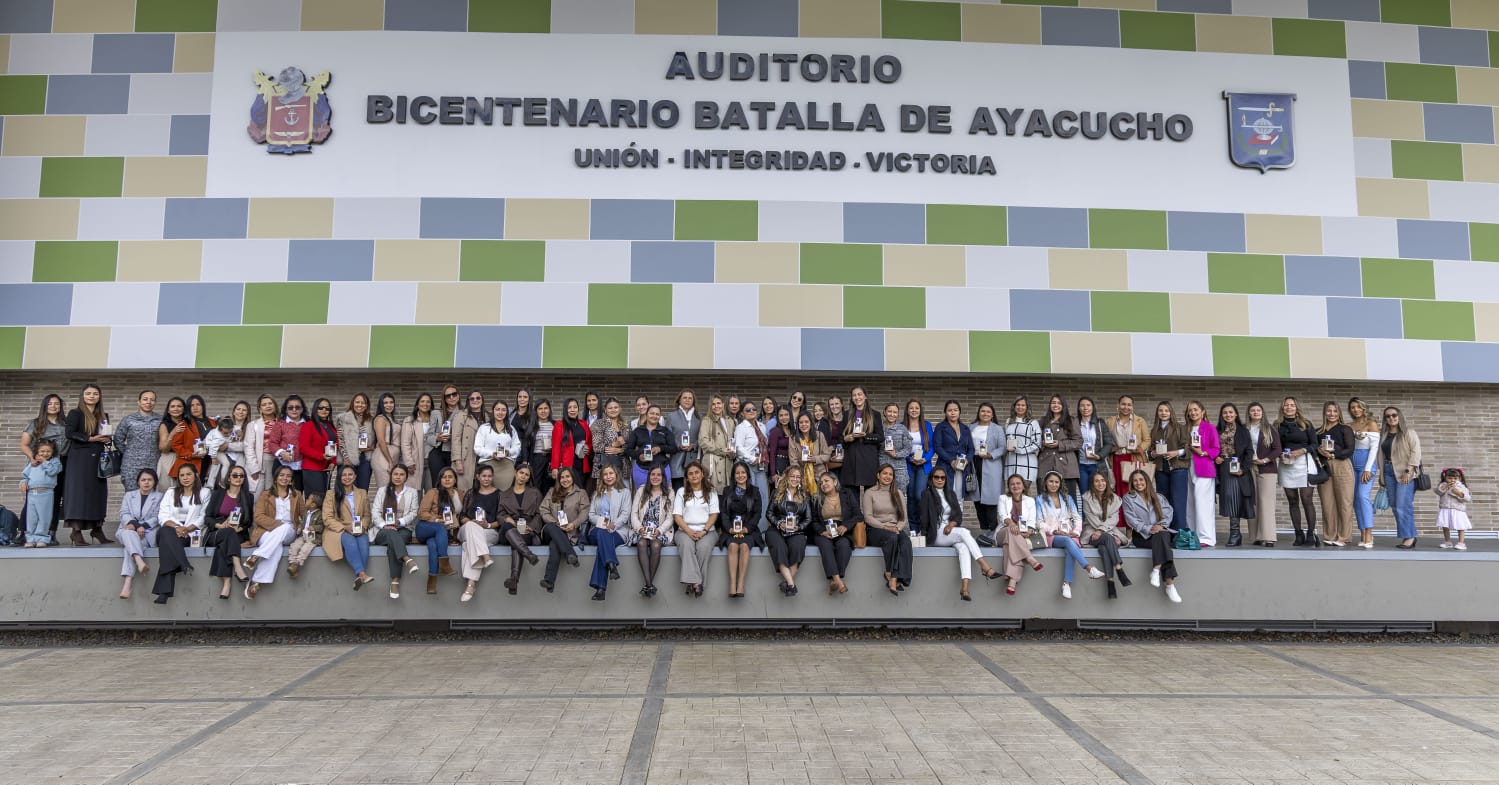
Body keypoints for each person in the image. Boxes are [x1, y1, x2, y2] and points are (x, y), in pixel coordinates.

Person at [920, 467, 998, 602]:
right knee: (964, 532)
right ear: (931, 479)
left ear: (946, 479)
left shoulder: (951, 493)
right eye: (936, 477)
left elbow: (958, 515)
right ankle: (984, 566)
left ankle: (965, 587)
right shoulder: (926, 494)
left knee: (963, 547)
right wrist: (923, 537)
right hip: (936, 533)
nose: (939, 480)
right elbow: (923, 517)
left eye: (942, 477)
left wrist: (951, 525)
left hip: (950, 531)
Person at [243, 465, 310, 599]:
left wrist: (302, 528)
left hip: (289, 532)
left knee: (285, 527)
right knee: (277, 547)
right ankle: (256, 582)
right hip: (266, 532)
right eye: (282, 475)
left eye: (288, 476)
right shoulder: (265, 494)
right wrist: (278, 524)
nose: (285, 478)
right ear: (276, 477)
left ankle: (256, 556)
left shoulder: (297, 495)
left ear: (291, 480)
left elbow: (305, 515)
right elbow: (258, 517)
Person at [1036, 471, 1105, 599]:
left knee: (1070, 545)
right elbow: (1039, 522)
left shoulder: (1067, 498)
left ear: (1060, 484)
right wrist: (1054, 531)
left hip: (1070, 535)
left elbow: (1077, 518)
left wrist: (1076, 532)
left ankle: (1066, 584)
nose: (1054, 484)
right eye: (1051, 481)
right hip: (1051, 536)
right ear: (1045, 482)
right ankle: (1089, 568)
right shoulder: (1039, 499)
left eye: (1057, 482)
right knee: (1068, 542)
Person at [1122, 470, 1182, 603]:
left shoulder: (1158, 496)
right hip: (1141, 536)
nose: (1139, 483)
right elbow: (1131, 520)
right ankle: (1170, 585)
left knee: (1162, 536)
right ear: (1132, 483)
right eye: (1135, 480)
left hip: (1160, 532)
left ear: (1147, 481)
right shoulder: (1127, 498)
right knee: (1164, 543)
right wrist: (1149, 529)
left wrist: (1160, 526)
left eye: (1141, 479)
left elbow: (1168, 512)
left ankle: (1156, 569)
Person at [63, 384, 112, 546]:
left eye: (95, 393)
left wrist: (107, 439)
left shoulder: (103, 415)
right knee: (79, 494)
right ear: (83, 396)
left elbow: (106, 435)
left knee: (97, 493)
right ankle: (75, 532)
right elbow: (69, 433)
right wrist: (90, 438)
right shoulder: (75, 413)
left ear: (99, 396)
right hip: (80, 459)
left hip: (97, 458)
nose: (92, 396)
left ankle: (97, 528)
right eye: (88, 393)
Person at [153, 464, 206, 604]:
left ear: (196, 475)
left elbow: (203, 517)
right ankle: (184, 563)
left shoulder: (204, 492)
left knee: (167, 547)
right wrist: (177, 527)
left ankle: (164, 593)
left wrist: (187, 529)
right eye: (182, 475)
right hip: (171, 529)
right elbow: (162, 516)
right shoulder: (171, 492)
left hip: (190, 533)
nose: (185, 478)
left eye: (189, 474)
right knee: (165, 531)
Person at [20, 393, 68, 545]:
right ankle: (24, 533)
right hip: (38, 468)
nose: (53, 406)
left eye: (57, 403)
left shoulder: (66, 424)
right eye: (50, 403)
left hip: (57, 466)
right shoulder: (36, 423)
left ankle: (51, 533)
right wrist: (33, 458)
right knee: (31, 501)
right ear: (45, 406)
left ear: (60, 406)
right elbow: (24, 444)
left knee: (55, 501)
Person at [370, 464, 421, 599]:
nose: (398, 477)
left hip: (403, 528)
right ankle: (407, 559)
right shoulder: (382, 491)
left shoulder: (412, 492)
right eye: (395, 474)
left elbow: (413, 512)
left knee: (394, 543)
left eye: (401, 474)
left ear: (406, 477)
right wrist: (383, 525)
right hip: (383, 530)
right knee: (392, 534)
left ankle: (395, 581)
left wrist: (399, 522)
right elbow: (375, 512)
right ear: (391, 476)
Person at [203, 465, 253, 599]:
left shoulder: (248, 497)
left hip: (236, 534)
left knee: (226, 541)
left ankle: (227, 581)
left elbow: (249, 522)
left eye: (241, 476)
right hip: (216, 532)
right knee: (228, 534)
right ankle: (237, 567)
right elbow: (207, 518)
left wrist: (240, 528)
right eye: (235, 475)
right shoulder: (218, 494)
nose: (238, 478)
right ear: (229, 478)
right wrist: (220, 525)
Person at [862, 464, 911, 596]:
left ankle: (896, 578)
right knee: (891, 538)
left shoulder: (898, 493)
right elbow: (868, 517)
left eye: (890, 474)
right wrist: (885, 527)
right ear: (878, 475)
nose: (887, 476)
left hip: (895, 529)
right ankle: (889, 573)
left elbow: (903, 517)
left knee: (906, 543)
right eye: (884, 473)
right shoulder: (870, 493)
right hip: (876, 529)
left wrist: (897, 528)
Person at [1080, 470, 1131, 599]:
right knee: (1109, 539)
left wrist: (1102, 531)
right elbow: (1092, 519)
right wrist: (1102, 531)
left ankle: (1110, 583)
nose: (1100, 483)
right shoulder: (1086, 498)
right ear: (1092, 483)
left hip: (1107, 532)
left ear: (1107, 482)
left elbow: (1114, 519)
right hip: (1091, 532)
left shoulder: (1114, 498)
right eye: (1097, 481)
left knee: (1104, 549)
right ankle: (1119, 569)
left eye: (1103, 480)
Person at [323, 464, 374, 591]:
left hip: (358, 529)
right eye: (344, 475)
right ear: (339, 477)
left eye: (350, 474)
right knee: (350, 541)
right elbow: (327, 517)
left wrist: (363, 527)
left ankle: (359, 576)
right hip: (338, 529)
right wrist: (345, 528)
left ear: (355, 476)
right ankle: (362, 574)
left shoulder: (362, 493)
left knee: (363, 543)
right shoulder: (331, 494)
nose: (347, 477)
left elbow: (367, 515)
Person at [586, 464, 634, 600]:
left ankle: (601, 589)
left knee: (603, 544)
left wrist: (613, 525)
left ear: (616, 475)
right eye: (605, 474)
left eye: (611, 473)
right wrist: (603, 523)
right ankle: (611, 564)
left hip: (619, 530)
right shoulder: (597, 494)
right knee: (602, 533)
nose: (608, 476)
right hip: (598, 529)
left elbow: (625, 514)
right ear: (602, 477)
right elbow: (591, 514)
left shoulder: (624, 492)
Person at [456, 464, 503, 602]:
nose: (487, 479)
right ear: (478, 477)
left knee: (467, 546)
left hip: (489, 531)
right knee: (471, 526)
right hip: (466, 529)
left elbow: (501, 519)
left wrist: (487, 524)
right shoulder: (471, 493)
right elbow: (462, 516)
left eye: (489, 476)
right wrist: (473, 523)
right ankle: (485, 556)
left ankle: (471, 585)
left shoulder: (499, 494)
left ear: (493, 477)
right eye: (484, 476)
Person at [537, 465, 587, 593]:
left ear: (573, 478)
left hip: (569, 533)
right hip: (551, 529)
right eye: (562, 477)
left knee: (555, 545)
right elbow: (543, 510)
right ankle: (571, 554)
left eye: (567, 476)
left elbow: (584, 513)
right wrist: (555, 522)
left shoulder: (581, 493)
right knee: (553, 529)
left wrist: (574, 524)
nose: (565, 479)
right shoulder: (552, 491)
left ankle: (549, 581)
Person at [672, 461, 719, 597]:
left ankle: (691, 583)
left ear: (702, 474)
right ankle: (698, 584)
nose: (694, 476)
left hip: (708, 531)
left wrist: (704, 531)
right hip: (684, 530)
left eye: (697, 472)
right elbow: (677, 515)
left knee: (703, 548)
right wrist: (688, 531)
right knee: (686, 546)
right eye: (690, 474)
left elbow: (714, 514)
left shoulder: (711, 491)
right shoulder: (681, 491)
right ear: (686, 477)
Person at [415, 466, 463, 595]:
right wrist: (437, 519)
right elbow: (422, 513)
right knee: (440, 528)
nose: (447, 479)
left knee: (432, 545)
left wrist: (455, 537)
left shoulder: (461, 493)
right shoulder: (433, 492)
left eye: (450, 477)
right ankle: (444, 562)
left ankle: (432, 579)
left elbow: (461, 517)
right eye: (444, 477)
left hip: (443, 533)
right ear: (440, 479)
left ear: (455, 479)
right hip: (425, 527)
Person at [494, 463, 541, 596]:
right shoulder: (504, 494)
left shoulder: (535, 492)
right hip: (507, 530)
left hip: (526, 531)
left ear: (529, 478)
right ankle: (529, 555)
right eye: (521, 473)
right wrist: (506, 519)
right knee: (510, 529)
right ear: (515, 473)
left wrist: (530, 527)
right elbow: (499, 514)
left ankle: (514, 579)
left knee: (517, 542)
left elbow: (539, 514)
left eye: (527, 475)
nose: (523, 476)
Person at [1278, 397, 1319, 547]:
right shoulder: (1278, 425)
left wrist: (1302, 450)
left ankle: (1311, 534)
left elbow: (1315, 444)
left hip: (1304, 462)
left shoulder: (1305, 424)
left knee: (1307, 499)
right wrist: (1280, 454)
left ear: (1296, 407)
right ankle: (1298, 534)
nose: (1289, 407)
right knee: (1292, 500)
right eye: (1286, 405)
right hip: (1287, 464)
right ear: (1282, 408)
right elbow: (1276, 446)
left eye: (1292, 405)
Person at [1379, 406, 1422, 549]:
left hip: (1405, 472)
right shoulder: (1383, 435)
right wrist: (1381, 475)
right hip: (1388, 471)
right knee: (1396, 506)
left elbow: (1416, 452)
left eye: (1394, 415)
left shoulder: (1408, 433)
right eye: (1388, 416)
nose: (1391, 418)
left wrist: (1409, 470)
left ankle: (1409, 537)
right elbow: (1382, 455)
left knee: (1403, 505)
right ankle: (1408, 534)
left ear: (1399, 416)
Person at [116, 468, 162, 600]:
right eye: (143, 480)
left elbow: (157, 516)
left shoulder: (159, 497)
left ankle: (128, 582)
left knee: (129, 544)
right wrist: (136, 526)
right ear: (138, 482)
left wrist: (142, 526)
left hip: (147, 531)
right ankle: (138, 560)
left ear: (155, 482)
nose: (146, 483)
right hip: (129, 528)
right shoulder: (129, 496)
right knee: (128, 533)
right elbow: (124, 513)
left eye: (150, 480)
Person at [809, 470, 857, 596]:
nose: (823, 484)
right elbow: (813, 521)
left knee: (844, 546)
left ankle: (834, 580)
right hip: (824, 530)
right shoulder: (816, 498)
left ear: (835, 482)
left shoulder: (847, 494)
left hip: (842, 530)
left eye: (826, 481)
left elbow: (858, 515)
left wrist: (846, 526)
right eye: (821, 483)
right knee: (825, 546)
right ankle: (839, 581)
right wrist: (822, 531)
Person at [765, 466, 810, 597]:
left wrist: (799, 527)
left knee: (798, 546)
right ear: (787, 477)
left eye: (798, 477)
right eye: (792, 476)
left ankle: (787, 583)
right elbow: (769, 513)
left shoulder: (804, 496)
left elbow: (808, 518)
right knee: (778, 546)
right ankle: (791, 584)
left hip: (796, 531)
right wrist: (779, 523)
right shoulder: (777, 492)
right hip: (777, 529)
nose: (795, 479)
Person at [1215, 403, 1255, 548]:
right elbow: (1213, 448)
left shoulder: (1243, 431)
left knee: (1236, 499)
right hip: (1223, 467)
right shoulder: (1217, 430)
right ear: (1222, 415)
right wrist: (1216, 457)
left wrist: (1243, 469)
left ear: (1236, 414)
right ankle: (1235, 534)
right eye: (1225, 413)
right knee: (1229, 498)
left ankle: (1235, 534)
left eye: (1231, 412)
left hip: (1238, 467)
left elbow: (1249, 452)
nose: (1228, 415)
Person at [719, 461, 761, 598]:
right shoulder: (727, 491)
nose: (740, 475)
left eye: (743, 472)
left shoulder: (754, 491)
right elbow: (723, 513)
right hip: (730, 529)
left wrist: (747, 529)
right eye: (737, 473)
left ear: (748, 474)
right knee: (732, 546)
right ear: (733, 476)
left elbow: (757, 514)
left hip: (748, 529)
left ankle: (741, 583)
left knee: (744, 546)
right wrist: (729, 528)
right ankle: (732, 583)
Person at [1316, 401, 1356, 548]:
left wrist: (1334, 455)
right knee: (1327, 503)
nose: (1331, 414)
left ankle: (1344, 536)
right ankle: (1329, 535)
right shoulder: (1318, 431)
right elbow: (1314, 449)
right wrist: (1319, 451)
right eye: (1328, 411)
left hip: (1342, 466)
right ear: (1324, 413)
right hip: (1324, 467)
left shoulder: (1345, 429)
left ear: (1339, 413)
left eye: (1335, 411)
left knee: (1344, 503)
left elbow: (1350, 450)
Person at [631, 465, 674, 597]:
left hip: (660, 531)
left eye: (658, 475)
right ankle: (649, 585)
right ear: (649, 476)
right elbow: (634, 513)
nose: (655, 477)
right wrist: (639, 528)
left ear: (663, 477)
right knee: (642, 544)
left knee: (655, 545)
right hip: (642, 530)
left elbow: (670, 517)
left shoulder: (669, 492)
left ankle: (648, 585)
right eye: (653, 474)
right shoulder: (641, 490)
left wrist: (659, 531)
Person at [932, 400, 975, 533]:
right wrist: (951, 460)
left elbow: (971, 449)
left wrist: (967, 460)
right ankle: (942, 525)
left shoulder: (965, 428)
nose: (953, 412)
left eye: (955, 410)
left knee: (959, 497)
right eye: (950, 410)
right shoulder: (941, 427)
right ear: (945, 412)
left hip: (962, 469)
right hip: (945, 467)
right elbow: (937, 447)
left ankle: (957, 526)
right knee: (945, 495)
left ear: (959, 411)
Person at [1106, 395, 1150, 522]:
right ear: (1118, 405)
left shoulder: (1140, 421)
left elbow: (1147, 440)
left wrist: (1140, 448)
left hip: (1134, 459)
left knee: (1133, 490)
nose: (1126, 407)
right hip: (1117, 459)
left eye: (1129, 404)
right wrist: (1111, 448)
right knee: (1118, 492)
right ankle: (1120, 525)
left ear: (1133, 406)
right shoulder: (1110, 421)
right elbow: (1106, 442)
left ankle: (1135, 525)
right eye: (1123, 404)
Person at [1183, 400, 1221, 547]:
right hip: (1187, 467)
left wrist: (1203, 452)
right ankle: (1192, 534)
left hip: (1203, 467)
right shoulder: (1185, 428)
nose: (1192, 412)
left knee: (1203, 502)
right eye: (1190, 410)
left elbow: (1216, 448)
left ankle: (1206, 537)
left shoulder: (1209, 428)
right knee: (1190, 502)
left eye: (1195, 409)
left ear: (1202, 411)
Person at [997, 474, 1043, 595]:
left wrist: (1030, 530)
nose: (1015, 486)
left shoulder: (1030, 501)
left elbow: (1032, 520)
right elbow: (1003, 517)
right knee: (1010, 531)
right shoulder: (1003, 498)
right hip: (1003, 532)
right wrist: (1012, 524)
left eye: (1018, 483)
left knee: (1010, 545)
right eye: (1012, 484)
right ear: (1009, 487)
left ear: (1023, 486)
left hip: (1021, 535)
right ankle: (1028, 558)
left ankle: (1012, 581)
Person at [1245, 402, 1282, 547]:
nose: (1255, 412)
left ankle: (1268, 537)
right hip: (1249, 468)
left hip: (1266, 468)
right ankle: (1255, 537)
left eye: (1258, 410)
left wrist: (1265, 460)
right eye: (1252, 410)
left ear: (1262, 413)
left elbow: (1277, 449)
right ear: (1249, 413)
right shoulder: (1244, 429)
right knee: (1252, 502)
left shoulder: (1269, 429)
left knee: (1266, 502)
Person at [1149, 401, 1189, 532]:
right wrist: (1152, 453)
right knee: (1164, 504)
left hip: (1178, 468)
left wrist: (1176, 453)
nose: (1163, 413)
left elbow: (1188, 448)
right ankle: (1168, 533)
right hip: (1161, 469)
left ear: (1171, 412)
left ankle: (1180, 534)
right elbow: (1150, 451)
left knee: (1178, 503)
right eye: (1161, 410)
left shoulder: (1180, 428)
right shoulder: (1155, 429)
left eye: (1166, 410)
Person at [1036, 394, 1082, 508]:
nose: (1056, 405)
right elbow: (1035, 440)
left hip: (1066, 465)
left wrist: (1060, 444)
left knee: (1068, 498)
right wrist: (1043, 443)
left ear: (1063, 405)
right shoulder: (1042, 421)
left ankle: (1071, 523)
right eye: (1053, 403)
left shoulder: (1071, 420)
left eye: (1059, 403)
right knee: (1044, 498)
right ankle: (1046, 524)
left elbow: (1078, 442)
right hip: (1045, 463)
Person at [969, 402, 1004, 545]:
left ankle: (993, 532)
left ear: (992, 414)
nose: (985, 414)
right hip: (974, 464)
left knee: (991, 501)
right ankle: (984, 532)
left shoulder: (997, 429)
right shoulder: (971, 427)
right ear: (978, 413)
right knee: (977, 500)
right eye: (982, 411)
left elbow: (1003, 448)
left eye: (988, 412)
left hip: (991, 465)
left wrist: (991, 454)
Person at [113, 390, 161, 493]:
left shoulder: (160, 420)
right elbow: (118, 439)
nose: (148, 402)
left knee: (151, 498)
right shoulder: (129, 419)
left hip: (153, 464)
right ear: (138, 402)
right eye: (145, 399)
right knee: (131, 496)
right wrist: (129, 453)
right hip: (131, 466)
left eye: (152, 400)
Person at [1348, 398, 1380, 549]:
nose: (1355, 410)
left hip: (1367, 463)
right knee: (1355, 499)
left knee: (1363, 496)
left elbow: (1374, 448)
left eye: (1358, 407)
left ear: (1364, 408)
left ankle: (1369, 533)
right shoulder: (1349, 426)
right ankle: (1362, 532)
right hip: (1351, 463)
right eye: (1352, 407)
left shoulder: (1371, 424)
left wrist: (1368, 469)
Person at [841, 386, 884, 491]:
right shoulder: (846, 415)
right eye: (854, 395)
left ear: (865, 396)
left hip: (868, 459)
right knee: (852, 496)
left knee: (870, 495)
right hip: (851, 460)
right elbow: (841, 438)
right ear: (851, 398)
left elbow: (880, 437)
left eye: (859, 394)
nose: (857, 397)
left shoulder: (875, 414)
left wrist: (866, 436)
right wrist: (847, 438)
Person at [19, 440, 61, 547]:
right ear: (37, 451)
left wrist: (45, 462)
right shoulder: (33, 463)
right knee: (31, 518)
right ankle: (30, 538)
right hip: (32, 494)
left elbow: (53, 471)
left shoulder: (55, 462)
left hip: (46, 493)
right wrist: (23, 483)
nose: (45, 453)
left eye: (48, 451)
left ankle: (42, 538)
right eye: (42, 451)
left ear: (52, 452)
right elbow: (25, 476)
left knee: (44, 517)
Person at [474, 400, 521, 492]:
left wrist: (508, 452)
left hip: (506, 466)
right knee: (487, 493)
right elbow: (477, 448)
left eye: (503, 410)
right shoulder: (484, 428)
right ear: (493, 411)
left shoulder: (511, 429)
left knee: (504, 494)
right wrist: (492, 454)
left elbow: (517, 447)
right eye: (497, 409)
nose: (500, 412)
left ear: (507, 412)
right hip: (487, 465)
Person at [731, 402, 770, 514]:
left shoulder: (762, 426)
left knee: (763, 496)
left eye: (753, 409)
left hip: (760, 466)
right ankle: (749, 527)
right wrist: (752, 458)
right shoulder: (741, 428)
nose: (751, 411)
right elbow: (738, 447)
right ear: (742, 413)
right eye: (748, 410)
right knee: (749, 497)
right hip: (746, 466)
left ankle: (762, 529)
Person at [1075, 397, 1113, 507]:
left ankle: (1100, 522)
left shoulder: (1100, 423)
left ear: (1093, 407)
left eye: (1088, 405)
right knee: (1084, 495)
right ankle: (1085, 522)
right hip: (1081, 465)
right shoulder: (1075, 423)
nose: (1085, 408)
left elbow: (1109, 443)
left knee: (1099, 495)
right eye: (1082, 405)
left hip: (1096, 466)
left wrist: (1099, 455)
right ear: (1078, 408)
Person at [627, 404, 676, 488]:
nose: (654, 416)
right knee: (642, 497)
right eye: (652, 413)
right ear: (646, 414)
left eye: (657, 414)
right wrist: (639, 456)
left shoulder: (665, 431)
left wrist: (661, 448)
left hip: (662, 469)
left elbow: (674, 448)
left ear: (660, 416)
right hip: (641, 470)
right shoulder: (637, 431)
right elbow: (628, 450)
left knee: (663, 496)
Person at [333, 392, 376, 490]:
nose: (360, 405)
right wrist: (346, 458)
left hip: (364, 459)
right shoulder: (343, 418)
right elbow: (340, 439)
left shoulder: (371, 420)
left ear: (366, 405)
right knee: (346, 489)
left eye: (363, 403)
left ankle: (361, 506)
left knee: (362, 489)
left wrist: (370, 448)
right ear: (352, 403)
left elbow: (374, 439)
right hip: (347, 458)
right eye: (357, 402)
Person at [448, 390, 487, 494]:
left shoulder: (487, 417)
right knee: (464, 491)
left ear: (482, 400)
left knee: (482, 489)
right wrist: (458, 461)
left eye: (478, 398)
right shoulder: (461, 415)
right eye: (472, 398)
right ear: (468, 401)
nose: (475, 400)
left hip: (483, 458)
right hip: (466, 459)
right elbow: (455, 439)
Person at [903, 399, 934, 527]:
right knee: (910, 496)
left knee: (919, 495)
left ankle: (923, 527)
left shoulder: (927, 425)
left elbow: (932, 447)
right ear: (907, 410)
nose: (914, 410)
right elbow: (899, 447)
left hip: (923, 464)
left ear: (920, 410)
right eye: (911, 408)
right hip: (908, 464)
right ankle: (913, 529)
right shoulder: (902, 426)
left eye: (917, 408)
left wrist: (925, 459)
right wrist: (908, 458)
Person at [298, 398, 339, 496]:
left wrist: (333, 462)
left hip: (326, 469)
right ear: (315, 409)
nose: (324, 410)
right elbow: (303, 447)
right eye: (320, 407)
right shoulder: (308, 426)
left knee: (325, 500)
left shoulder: (330, 426)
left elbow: (335, 444)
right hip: (312, 469)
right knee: (315, 502)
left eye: (327, 408)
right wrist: (321, 456)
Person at [169, 394, 214, 479]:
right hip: (191, 464)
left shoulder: (213, 422)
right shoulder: (184, 424)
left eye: (198, 404)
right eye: (192, 405)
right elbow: (175, 445)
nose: (195, 407)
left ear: (203, 406)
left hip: (210, 463)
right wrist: (191, 454)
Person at [696, 395, 736, 492]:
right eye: (713, 404)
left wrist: (733, 452)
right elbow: (703, 441)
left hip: (728, 462)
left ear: (723, 405)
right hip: (713, 462)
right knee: (713, 493)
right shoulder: (707, 420)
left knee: (727, 494)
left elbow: (733, 440)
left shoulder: (730, 421)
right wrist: (722, 451)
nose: (716, 406)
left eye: (718, 403)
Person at [550, 398, 592, 489]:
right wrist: (554, 467)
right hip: (568, 464)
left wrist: (588, 450)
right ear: (565, 409)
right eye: (569, 407)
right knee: (574, 490)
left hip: (582, 463)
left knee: (581, 490)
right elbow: (555, 448)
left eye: (575, 407)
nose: (572, 410)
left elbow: (589, 442)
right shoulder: (559, 425)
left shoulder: (583, 424)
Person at [267, 395, 306, 491]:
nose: (294, 410)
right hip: (282, 465)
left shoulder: (308, 423)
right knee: (280, 494)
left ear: (302, 409)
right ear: (285, 409)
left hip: (302, 467)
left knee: (297, 496)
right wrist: (282, 452)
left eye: (297, 407)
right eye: (290, 407)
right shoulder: (280, 424)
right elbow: (272, 443)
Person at [1002, 396, 1041, 494]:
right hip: (1011, 461)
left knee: (1023, 494)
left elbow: (1037, 443)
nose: (1020, 407)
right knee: (1012, 494)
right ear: (1014, 407)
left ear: (1027, 407)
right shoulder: (1008, 422)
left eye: (1023, 405)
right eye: (1018, 405)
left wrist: (1019, 449)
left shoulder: (1033, 423)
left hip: (1027, 462)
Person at [591, 397, 632, 490]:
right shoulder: (599, 424)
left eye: (616, 407)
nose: (613, 410)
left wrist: (620, 450)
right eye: (610, 408)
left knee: (624, 494)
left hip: (623, 467)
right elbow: (596, 447)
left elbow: (631, 446)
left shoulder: (626, 425)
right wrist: (614, 444)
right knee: (605, 495)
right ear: (605, 410)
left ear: (620, 409)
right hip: (605, 468)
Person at [400, 392, 437, 491]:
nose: (425, 404)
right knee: (415, 492)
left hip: (433, 461)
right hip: (416, 461)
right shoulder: (409, 421)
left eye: (428, 402)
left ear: (431, 405)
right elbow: (405, 443)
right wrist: (409, 462)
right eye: (422, 401)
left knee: (431, 492)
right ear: (417, 404)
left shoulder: (435, 421)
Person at [664, 390, 699, 490]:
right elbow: (668, 437)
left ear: (693, 401)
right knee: (679, 491)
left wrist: (694, 445)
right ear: (679, 400)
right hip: (677, 459)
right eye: (684, 398)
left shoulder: (699, 417)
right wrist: (678, 445)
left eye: (690, 398)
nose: (687, 400)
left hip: (693, 459)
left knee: (694, 491)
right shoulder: (672, 416)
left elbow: (701, 438)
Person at [245, 394, 279, 495]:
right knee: (259, 495)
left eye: (270, 403)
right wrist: (253, 467)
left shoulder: (281, 422)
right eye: (264, 405)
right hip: (262, 461)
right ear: (259, 408)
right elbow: (248, 447)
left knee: (275, 493)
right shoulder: (253, 425)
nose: (268, 406)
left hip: (279, 461)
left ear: (275, 405)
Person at [791, 412, 831, 496]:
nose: (804, 424)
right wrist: (800, 476)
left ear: (811, 423)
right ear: (798, 425)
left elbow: (827, 455)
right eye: (801, 422)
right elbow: (793, 461)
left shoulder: (819, 435)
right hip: (802, 477)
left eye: (806, 422)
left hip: (819, 476)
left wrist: (815, 459)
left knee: (819, 504)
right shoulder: (793, 439)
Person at [370, 393, 401, 492]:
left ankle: (389, 508)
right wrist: (390, 461)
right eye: (385, 403)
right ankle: (383, 508)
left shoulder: (391, 418)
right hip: (384, 457)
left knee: (392, 490)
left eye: (391, 402)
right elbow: (381, 441)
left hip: (393, 456)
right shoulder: (380, 419)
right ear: (381, 405)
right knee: (385, 489)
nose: (389, 405)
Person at [1436, 468, 1471, 550]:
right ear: (1445, 477)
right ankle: (1447, 542)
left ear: (1459, 478)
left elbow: (1467, 498)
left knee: (1460, 526)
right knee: (1445, 526)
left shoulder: (1462, 487)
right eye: (1450, 478)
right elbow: (1438, 492)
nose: (1452, 480)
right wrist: (1446, 486)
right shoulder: (1443, 485)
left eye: (1455, 478)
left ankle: (1461, 543)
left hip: (1457, 510)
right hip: (1445, 509)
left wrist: (1459, 493)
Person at [528, 399, 556, 496]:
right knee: (536, 484)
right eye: (540, 409)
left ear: (549, 410)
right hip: (537, 459)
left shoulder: (556, 425)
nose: (543, 411)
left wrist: (552, 450)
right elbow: (526, 444)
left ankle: (547, 508)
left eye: (545, 408)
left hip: (551, 458)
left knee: (549, 485)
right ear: (536, 411)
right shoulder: (532, 425)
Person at [202, 415, 237, 489]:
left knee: (223, 464)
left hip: (218, 448)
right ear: (220, 430)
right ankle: (222, 480)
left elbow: (235, 429)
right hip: (213, 449)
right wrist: (213, 458)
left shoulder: (227, 429)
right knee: (225, 463)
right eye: (225, 433)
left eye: (230, 432)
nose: (228, 434)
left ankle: (217, 481)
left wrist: (238, 432)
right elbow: (212, 447)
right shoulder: (218, 437)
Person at [765, 406, 796, 487]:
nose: (784, 418)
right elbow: (772, 453)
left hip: (791, 464)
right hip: (779, 464)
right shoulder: (775, 431)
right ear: (777, 417)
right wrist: (773, 473)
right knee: (779, 492)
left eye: (786, 415)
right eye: (781, 415)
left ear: (790, 416)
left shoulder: (793, 431)